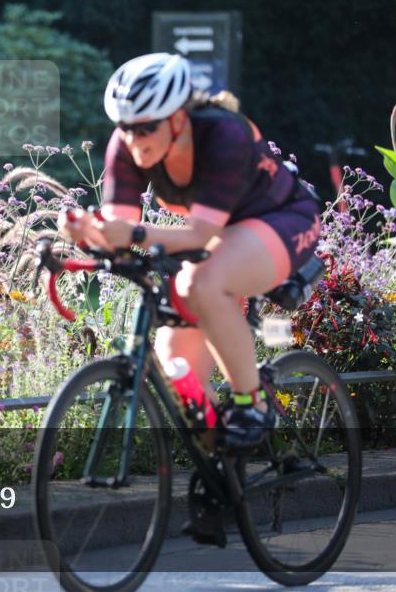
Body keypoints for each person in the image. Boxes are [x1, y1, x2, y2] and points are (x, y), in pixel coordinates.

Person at [58, 52, 321, 449]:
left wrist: (129, 232)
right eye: (126, 127)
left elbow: (199, 234)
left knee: (204, 281)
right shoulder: (125, 146)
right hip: (222, 236)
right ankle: (221, 469)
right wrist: (84, 230)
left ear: (179, 118)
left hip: (283, 219)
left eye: (146, 128)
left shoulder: (223, 134)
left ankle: (253, 402)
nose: (134, 139)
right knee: (174, 358)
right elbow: (119, 228)